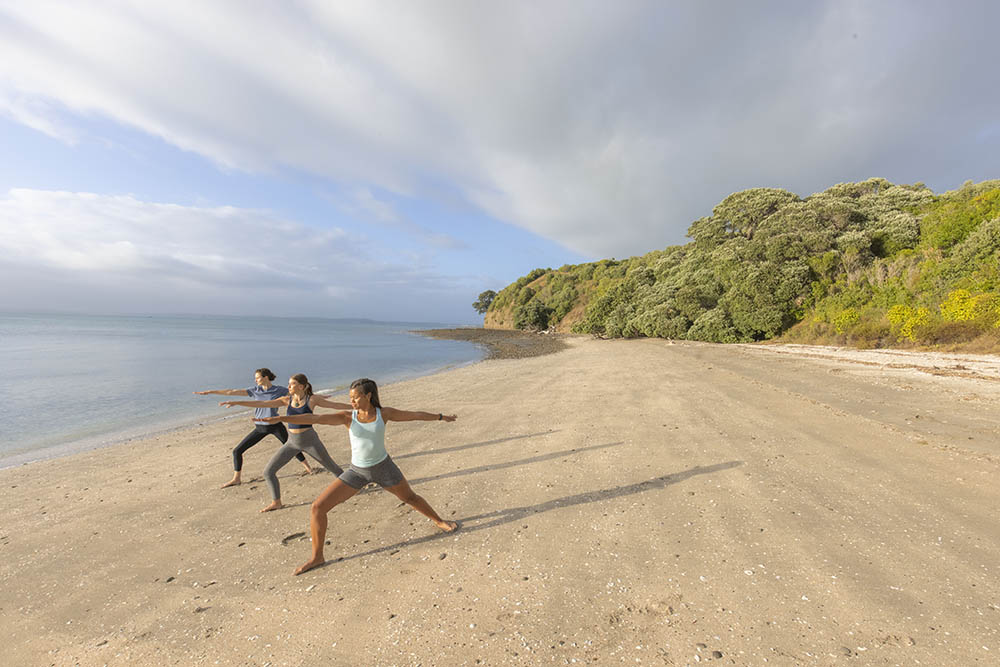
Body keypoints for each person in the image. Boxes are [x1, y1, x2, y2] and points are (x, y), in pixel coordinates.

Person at [260, 377, 459, 575]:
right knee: (318, 507)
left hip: (384, 467)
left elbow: (414, 415)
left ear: (368, 396)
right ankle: (317, 557)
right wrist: (282, 419)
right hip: (357, 472)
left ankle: (438, 521)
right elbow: (315, 419)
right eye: (350, 398)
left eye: (355, 398)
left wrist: (441, 417)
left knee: (410, 498)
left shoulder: (384, 413)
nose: (352, 402)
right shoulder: (347, 417)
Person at [219, 373, 351, 512]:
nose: (288, 386)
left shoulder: (312, 399)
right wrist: (237, 402)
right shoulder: (286, 400)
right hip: (292, 442)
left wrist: (356, 407)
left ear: (301, 386)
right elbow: (261, 403)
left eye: (291, 384)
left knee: (333, 468)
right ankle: (277, 502)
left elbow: (335, 405)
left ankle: (350, 488)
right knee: (268, 472)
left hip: (310, 441)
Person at [194, 368, 312, 488]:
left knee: (292, 447)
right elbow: (232, 391)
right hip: (260, 427)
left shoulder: (279, 390)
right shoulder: (255, 390)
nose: (255, 380)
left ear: (265, 377)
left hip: (275, 426)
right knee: (237, 451)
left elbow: (299, 393)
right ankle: (237, 478)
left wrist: (313, 400)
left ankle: (308, 468)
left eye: (257, 377)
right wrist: (210, 392)